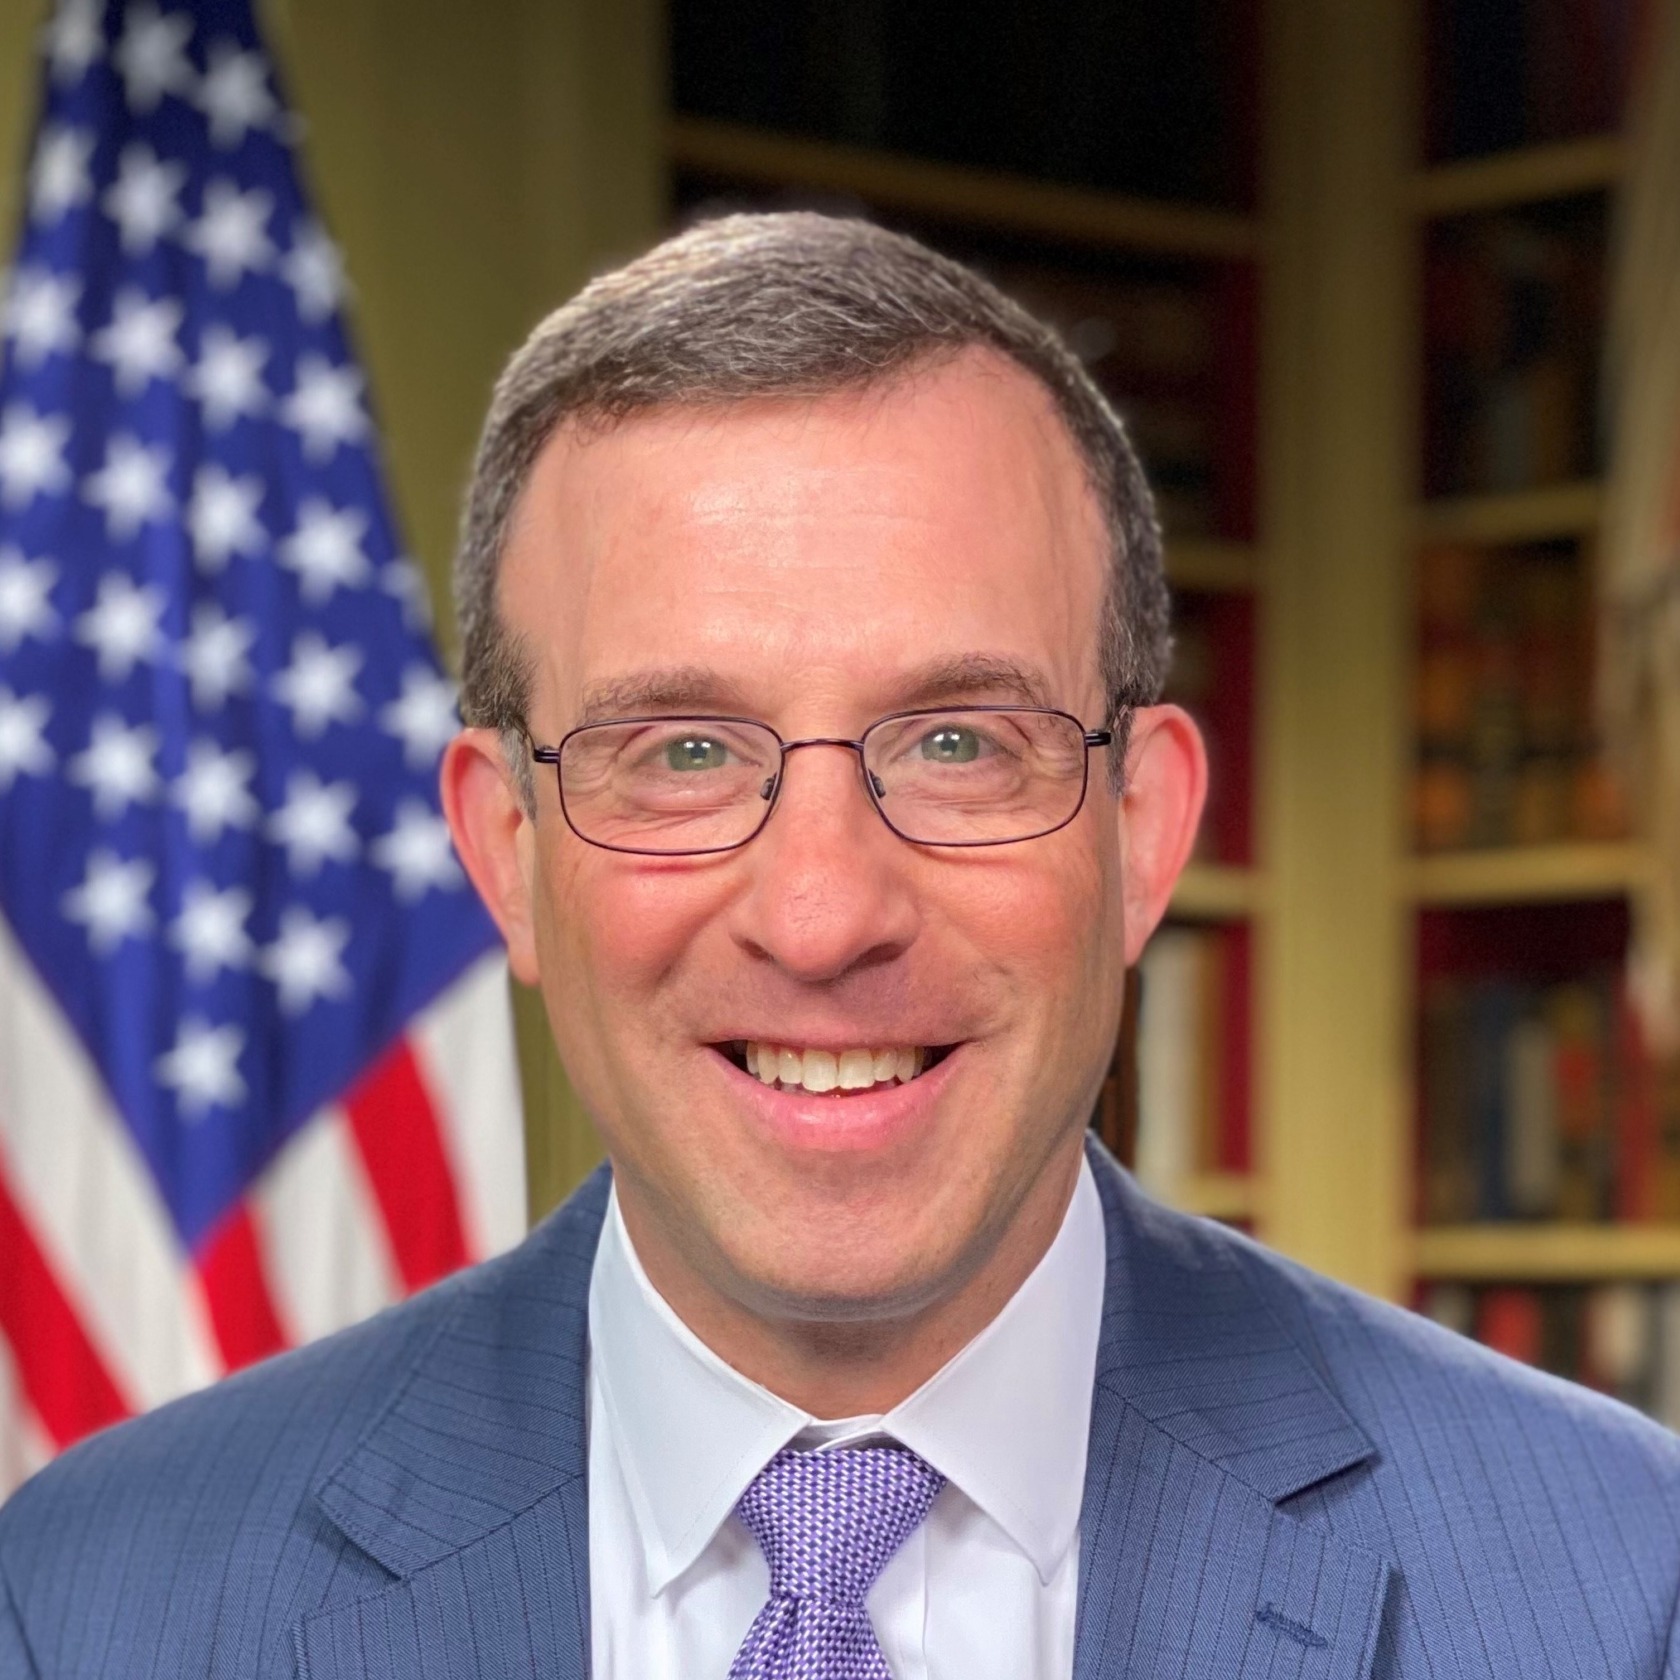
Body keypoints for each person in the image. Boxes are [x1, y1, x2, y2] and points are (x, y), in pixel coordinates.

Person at [3, 212, 1679, 1680]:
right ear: (508, 856)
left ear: (1145, 828)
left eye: (959, 743)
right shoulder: (95, 1606)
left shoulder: (1615, 1587)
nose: (821, 916)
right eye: (681, 752)